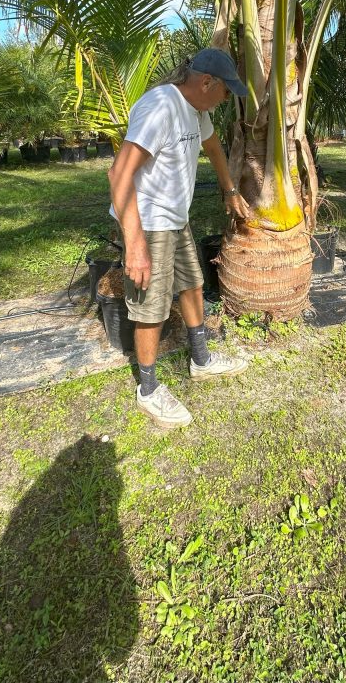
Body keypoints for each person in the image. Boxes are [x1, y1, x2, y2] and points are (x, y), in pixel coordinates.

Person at [108, 48, 252, 428]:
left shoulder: (196, 109)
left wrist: (229, 189)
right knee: (152, 307)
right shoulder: (161, 108)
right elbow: (118, 174)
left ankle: (201, 360)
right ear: (207, 82)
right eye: (225, 92)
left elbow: (213, 146)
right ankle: (149, 390)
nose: (225, 101)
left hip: (175, 217)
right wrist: (135, 245)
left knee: (192, 284)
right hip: (148, 221)